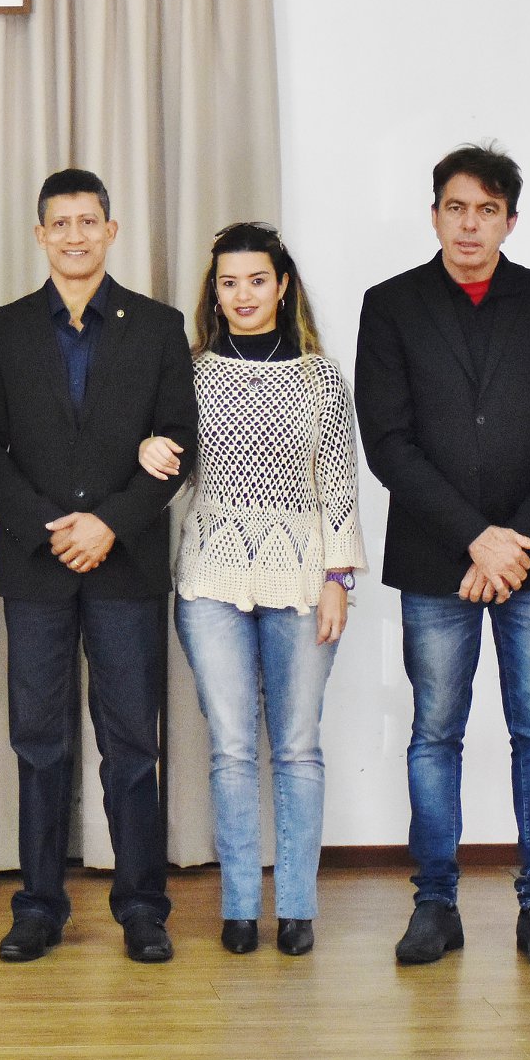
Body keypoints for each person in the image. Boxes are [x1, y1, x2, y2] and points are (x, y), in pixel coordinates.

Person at [354, 144, 530, 970]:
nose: (469, 225)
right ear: (434, 215)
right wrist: (475, 537)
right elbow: (388, 442)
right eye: (456, 208)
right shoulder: (391, 305)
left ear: (510, 221)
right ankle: (434, 904)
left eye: (487, 210)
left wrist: (513, 540)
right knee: (434, 734)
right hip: (436, 560)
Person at [0, 169, 198, 964]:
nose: (74, 235)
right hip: (36, 566)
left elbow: (178, 442)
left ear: (110, 231)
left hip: (125, 565)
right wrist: (48, 527)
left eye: (87, 221)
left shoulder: (158, 327)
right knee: (38, 741)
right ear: (40, 235)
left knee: (131, 742)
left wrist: (108, 525)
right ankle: (38, 905)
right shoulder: (2, 329)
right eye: (59, 223)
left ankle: (142, 907)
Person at [137, 223, 366, 957]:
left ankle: (296, 907)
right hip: (210, 581)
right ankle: (239, 907)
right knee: (232, 749)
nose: (243, 295)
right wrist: (144, 446)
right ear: (215, 292)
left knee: (297, 747)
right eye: (229, 283)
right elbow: (168, 473)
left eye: (257, 281)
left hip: (303, 581)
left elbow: (339, 486)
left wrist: (338, 578)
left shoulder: (320, 378)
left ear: (283, 286)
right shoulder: (189, 373)